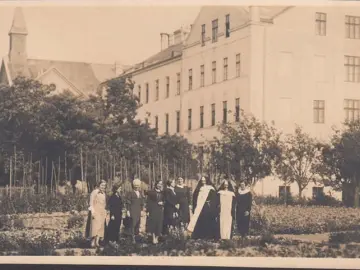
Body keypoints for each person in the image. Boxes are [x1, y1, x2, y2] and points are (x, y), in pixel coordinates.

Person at [187, 176, 218, 240]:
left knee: (208, 221)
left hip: (208, 207)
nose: (203, 181)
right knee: (200, 221)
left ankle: (210, 236)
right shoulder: (199, 188)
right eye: (202, 180)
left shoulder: (211, 188)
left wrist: (211, 204)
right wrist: (195, 206)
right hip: (200, 208)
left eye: (204, 180)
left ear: (207, 180)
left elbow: (214, 198)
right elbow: (194, 198)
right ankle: (200, 236)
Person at [124, 178, 144, 243]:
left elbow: (142, 203)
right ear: (133, 186)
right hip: (132, 210)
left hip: (138, 211)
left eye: (138, 186)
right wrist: (128, 211)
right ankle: (132, 238)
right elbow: (128, 202)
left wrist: (141, 210)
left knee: (138, 223)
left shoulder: (140, 193)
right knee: (133, 224)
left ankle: (136, 237)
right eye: (136, 186)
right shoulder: (130, 193)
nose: (137, 187)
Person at [88, 180, 107, 248]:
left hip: (102, 212)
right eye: (102, 185)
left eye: (104, 185)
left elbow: (104, 203)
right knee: (95, 227)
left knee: (101, 227)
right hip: (96, 211)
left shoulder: (104, 193)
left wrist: (105, 211)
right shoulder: (94, 192)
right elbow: (91, 202)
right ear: (99, 185)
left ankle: (97, 242)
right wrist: (92, 212)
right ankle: (92, 243)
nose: (103, 187)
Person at [146, 180, 164, 244]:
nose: (160, 185)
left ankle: (157, 237)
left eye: (161, 184)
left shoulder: (162, 193)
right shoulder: (151, 192)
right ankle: (153, 238)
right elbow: (148, 202)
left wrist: (162, 203)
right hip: (153, 210)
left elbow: (165, 201)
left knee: (159, 224)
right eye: (158, 184)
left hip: (160, 210)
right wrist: (147, 211)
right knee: (153, 223)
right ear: (156, 184)